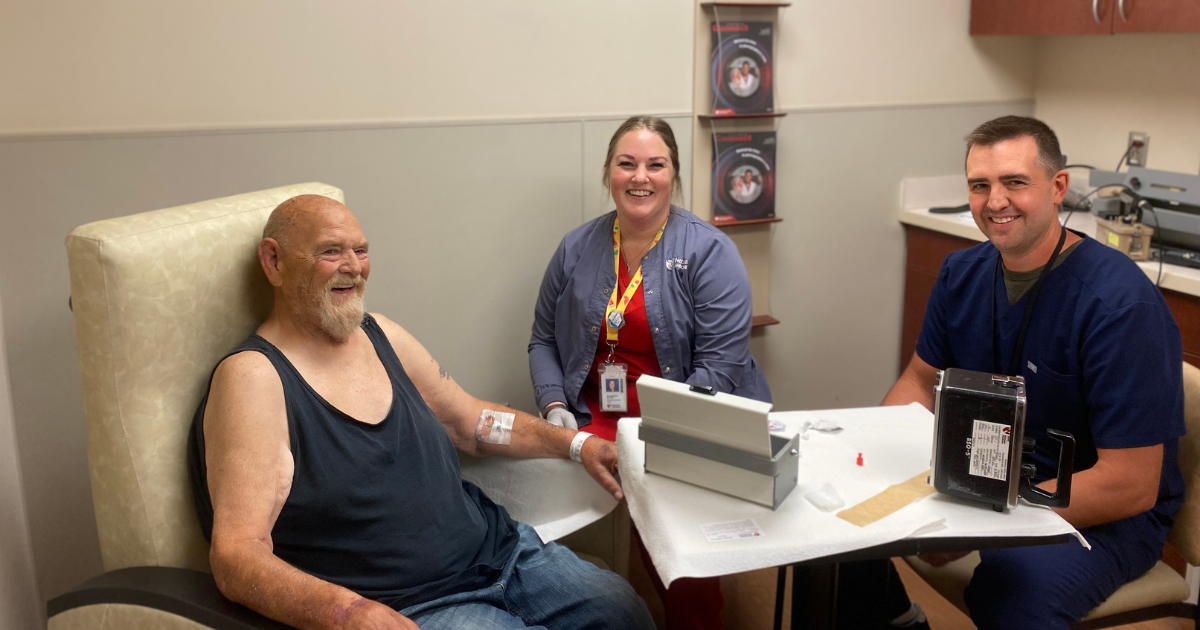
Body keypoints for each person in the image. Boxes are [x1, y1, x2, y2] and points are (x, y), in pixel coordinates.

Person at [187, 195, 655, 630]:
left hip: (502, 554)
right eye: (331, 251)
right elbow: (236, 556)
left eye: (361, 250)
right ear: (274, 261)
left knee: (624, 611)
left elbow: (470, 422)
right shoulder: (253, 378)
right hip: (413, 604)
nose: (353, 267)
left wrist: (579, 444)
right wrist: (348, 613)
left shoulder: (379, 334)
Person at [840, 116, 1186, 630]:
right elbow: (918, 382)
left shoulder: (1118, 304)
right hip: (987, 476)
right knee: (847, 524)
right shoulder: (963, 273)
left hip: (1104, 512)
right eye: (980, 185)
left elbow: (1130, 484)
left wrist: (973, 523)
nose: (994, 200)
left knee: (1013, 585)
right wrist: (872, 462)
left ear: (1058, 187)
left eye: (1014, 182)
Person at [528, 116, 771, 630]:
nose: (641, 177)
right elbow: (544, 339)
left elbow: (719, 370)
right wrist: (554, 408)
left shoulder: (709, 252)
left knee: (676, 540)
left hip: (682, 419)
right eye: (627, 163)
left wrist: (649, 442)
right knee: (521, 486)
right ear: (608, 174)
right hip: (593, 413)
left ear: (673, 175)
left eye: (655, 165)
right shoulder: (576, 247)